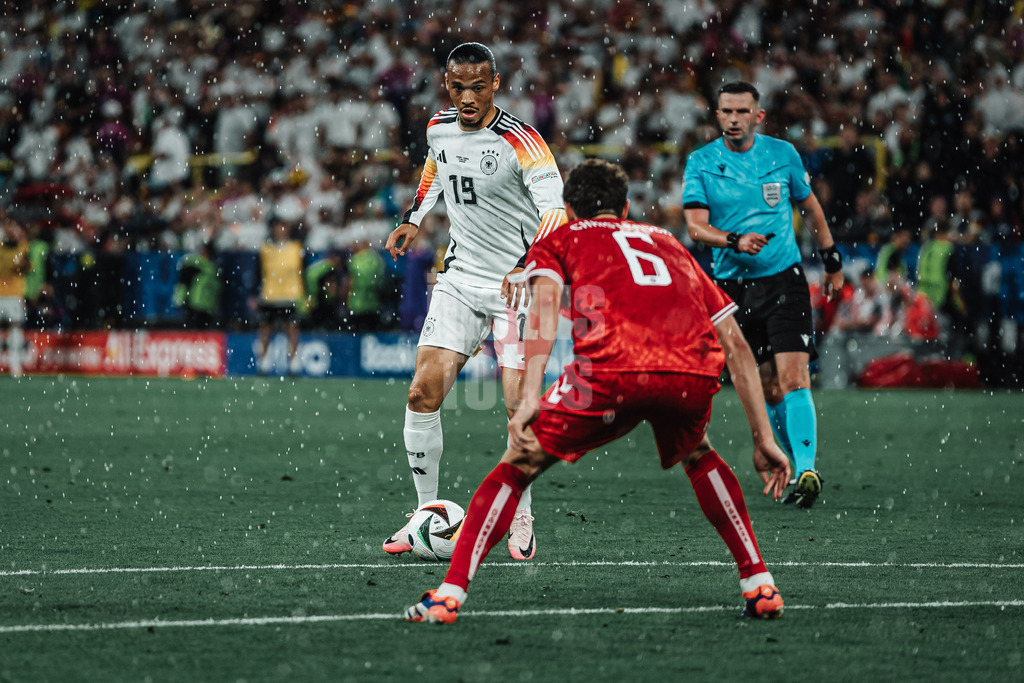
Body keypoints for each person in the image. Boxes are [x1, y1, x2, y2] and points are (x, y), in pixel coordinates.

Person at [404, 159, 791, 624]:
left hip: (613, 369)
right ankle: (759, 582)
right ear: (626, 208)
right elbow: (736, 345)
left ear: (567, 208)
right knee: (698, 452)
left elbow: (544, 310)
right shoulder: (669, 243)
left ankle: (449, 594)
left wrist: (529, 397)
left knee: (520, 461)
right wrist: (763, 436)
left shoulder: (561, 238)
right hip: (687, 372)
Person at [383, 42, 566, 560]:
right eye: (458, 86)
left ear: (495, 86)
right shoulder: (438, 126)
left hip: (518, 286)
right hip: (461, 278)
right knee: (422, 393)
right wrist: (414, 218)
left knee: (515, 406)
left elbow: (555, 211)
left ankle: (522, 513)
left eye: (477, 87)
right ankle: (425, 514)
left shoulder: (523, 141)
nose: (467, 96)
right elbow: (435, 169)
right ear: (447, 85)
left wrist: (526, 264)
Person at [682, 81, 844, 508]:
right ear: (717, 115)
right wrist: (734, 241)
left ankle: (808, 468)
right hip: (731, 289)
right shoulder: (701, 162)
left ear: (758, 116)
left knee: (794, 377)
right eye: (726, 112)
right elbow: (695, 227)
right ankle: (792, 462)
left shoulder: (782, 155)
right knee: (768, 388)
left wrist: (831, 261)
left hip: (784, 280)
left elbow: (811, 209)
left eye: (741, 111)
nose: (733, 119)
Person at [255, 218, 304, 375]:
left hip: (290, 294)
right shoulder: (266, 249)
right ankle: (264, 363)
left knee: (292, 329)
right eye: (278, 226)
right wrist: (255, 293)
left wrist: (305, 294)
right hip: (270, 294)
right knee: (265, 329)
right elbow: (258, 272)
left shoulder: (296, 248)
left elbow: (303, 272)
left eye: (283, 226)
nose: (281, 230)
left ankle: (294, 364)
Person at [0, 218, 31, 377]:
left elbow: (25, 268)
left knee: (15, 328)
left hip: (14, 295)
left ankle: (15, 364)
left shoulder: (23, 248)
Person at [173, 241, 221, 329]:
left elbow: (183, 284)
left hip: (196, 304)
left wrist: (180, 299)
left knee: (194, 333)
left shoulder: (193, 265)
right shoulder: (213, 269)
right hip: (204, 306)